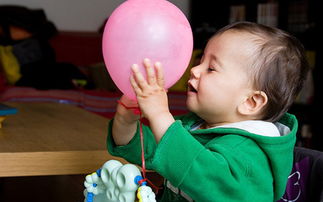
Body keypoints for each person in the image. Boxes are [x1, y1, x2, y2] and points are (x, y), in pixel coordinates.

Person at [107, 21, 309, 201]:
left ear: (251, 101)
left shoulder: (250, 154)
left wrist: (160, 114)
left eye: (211, 68)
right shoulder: (196, 125)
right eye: (200, 61)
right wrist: (126, 122)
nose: (194, 70)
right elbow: (149, 150)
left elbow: (203, 175)